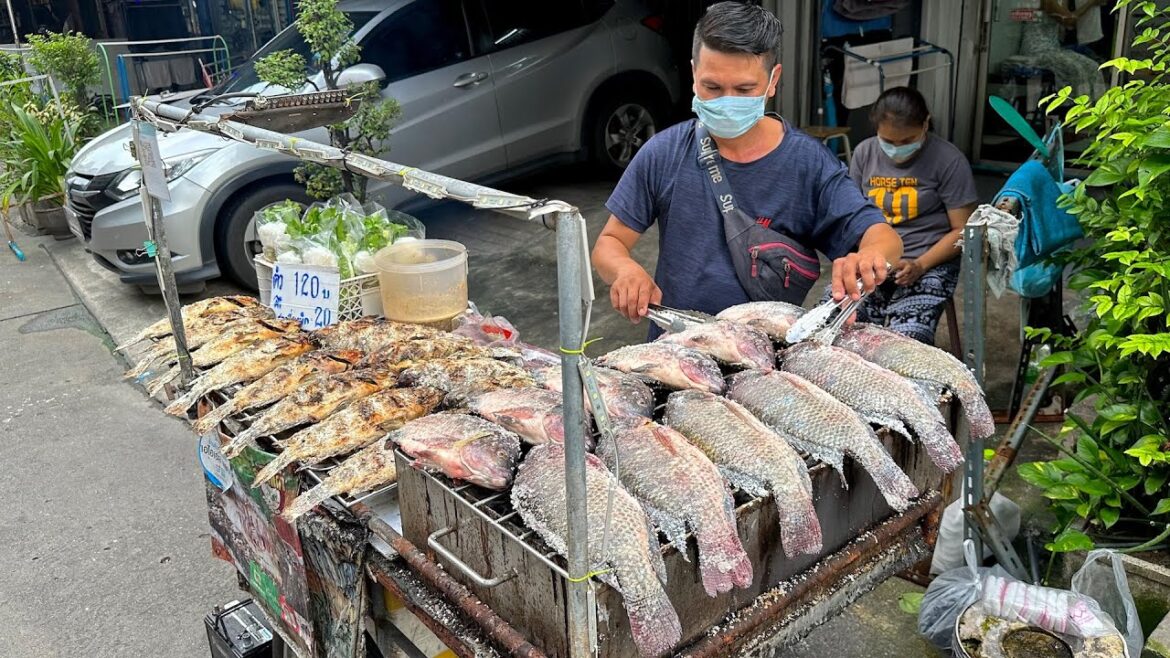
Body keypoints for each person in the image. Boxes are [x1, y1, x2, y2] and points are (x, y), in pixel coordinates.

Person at [592, 1, 901, 334]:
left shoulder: (808, 164)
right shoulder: (663, 153)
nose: (727, 101)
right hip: (678, 349)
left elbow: (884, 237)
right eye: (712, 87)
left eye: (744, 90)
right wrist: (625, 271)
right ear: (694, 73)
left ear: (772, 80)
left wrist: (867, 258)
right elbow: (609, 242)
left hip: (768, 357)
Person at [840, 86, 978, 345]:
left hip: (929, 262)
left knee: (903, 344)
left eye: (906, 141)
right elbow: (852, 215)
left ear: (926, 124)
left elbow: (963, 230)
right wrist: (863, 258)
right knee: (834, 330)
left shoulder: (948, 161)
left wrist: (920, 265)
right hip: (874, 261)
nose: (896, 149)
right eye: (888, 142)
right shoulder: (864, 153)